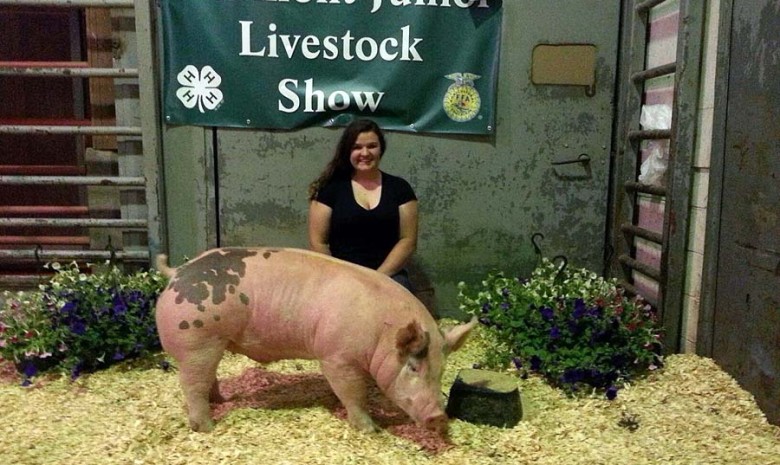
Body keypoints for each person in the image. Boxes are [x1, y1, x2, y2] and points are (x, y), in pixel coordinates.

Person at [307, 119, 418, 291]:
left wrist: (378, 278)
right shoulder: (329, 190)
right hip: (340, 276)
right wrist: (344, 278)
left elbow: (407, 240)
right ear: (347, 151)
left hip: (389, 276)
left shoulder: (400, 189)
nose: (365, 153)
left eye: (372, 146)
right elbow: (318, 243)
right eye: (357, 147)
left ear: (381, 149)